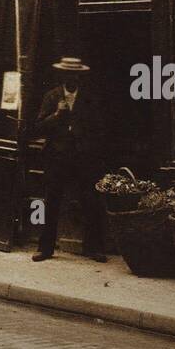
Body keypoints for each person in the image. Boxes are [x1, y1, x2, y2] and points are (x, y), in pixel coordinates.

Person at [32, 56, 107, 263]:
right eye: (67, 74)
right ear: (62, 75)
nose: (71, 77)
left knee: (90, 201)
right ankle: (45, 248)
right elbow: (38, 126)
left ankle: (93, 248)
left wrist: (88, 146)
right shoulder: (52, 96)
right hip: (57, 157)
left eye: (75, 74)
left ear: (80, 76)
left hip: (83, 158)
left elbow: (99, 128)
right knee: (52, 202)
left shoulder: (89, 98)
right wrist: (56, 115)